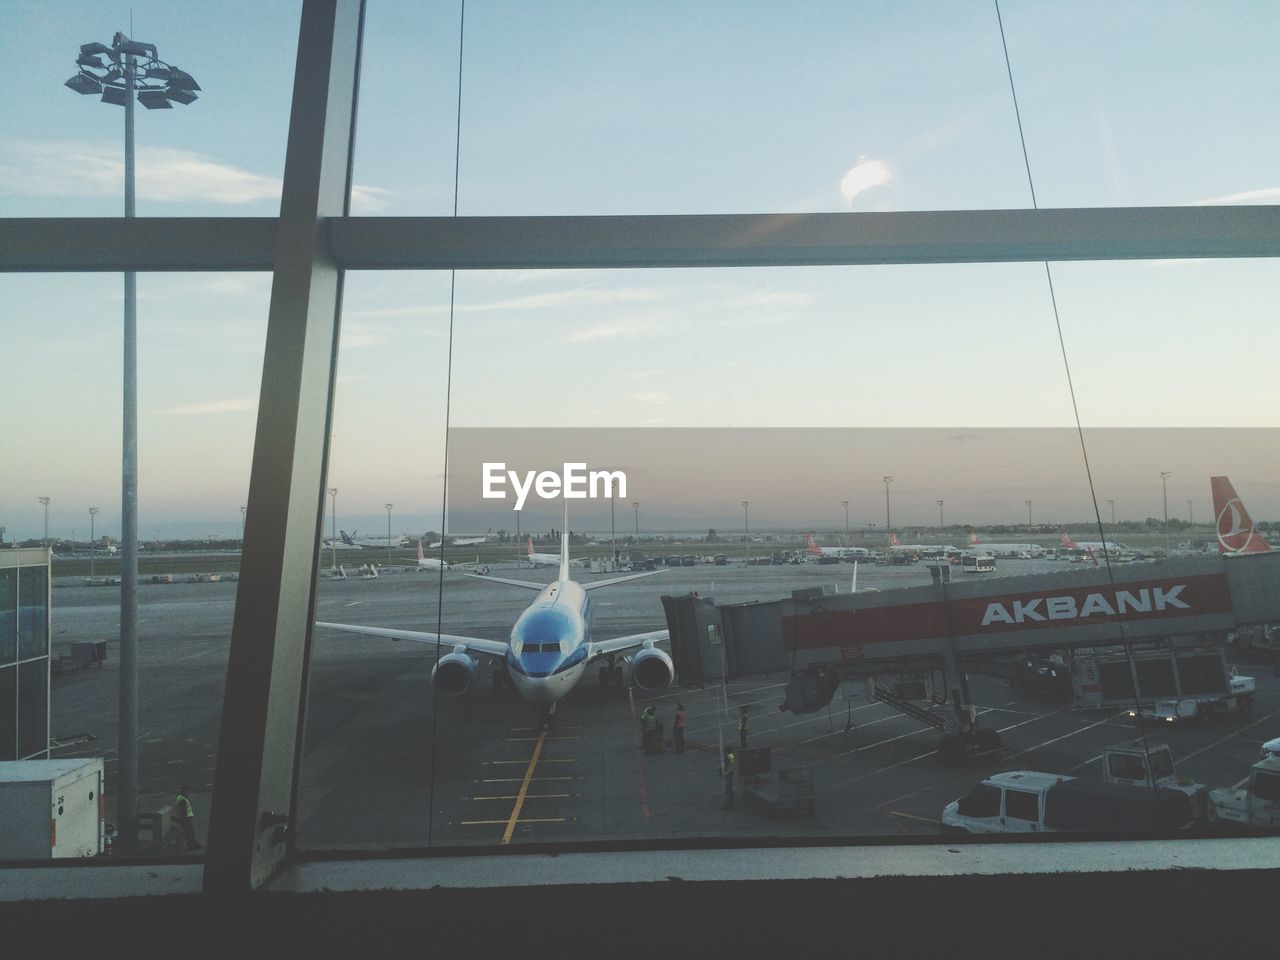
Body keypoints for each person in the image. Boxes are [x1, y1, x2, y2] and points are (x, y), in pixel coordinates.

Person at [174, 785, 203, 851]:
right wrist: (185, 820)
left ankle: (193, 845)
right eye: (189, 791)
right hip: (185, 820)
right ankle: (193, 846)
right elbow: (183, 811)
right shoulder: (183, 800)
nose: (189, 793)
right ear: (186, 791)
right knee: (189, 833)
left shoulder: (181, 798)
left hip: (184, 819)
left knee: (190, 833)